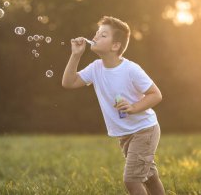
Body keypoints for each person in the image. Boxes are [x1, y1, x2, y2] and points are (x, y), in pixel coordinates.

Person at [62, 16, 165, 195]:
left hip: (144, 130)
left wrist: (133, 107)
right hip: (126, 134)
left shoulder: (131, 69)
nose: (95, 37)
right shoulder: (95, 68)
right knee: (148, 176)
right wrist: (75, 55)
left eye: (103, 35)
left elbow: (156, 95)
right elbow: (69, 82)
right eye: (96, 33)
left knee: (132, 180)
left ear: (115, 46)